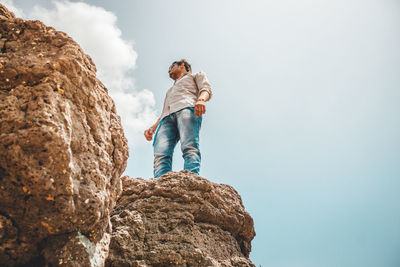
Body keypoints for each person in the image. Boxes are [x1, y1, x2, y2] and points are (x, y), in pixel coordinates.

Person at [144, 59, 212, 178]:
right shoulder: (169, 91)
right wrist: (153, 128)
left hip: (187, 109)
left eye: (172, 66)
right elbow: (164, 111)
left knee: (189, 147)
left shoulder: (196, 75)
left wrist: (201, 100)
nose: (169, 69)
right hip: (166, 119)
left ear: (182, 65)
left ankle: (191, 179)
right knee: (160, 154)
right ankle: (161, 183)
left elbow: (205, 89)